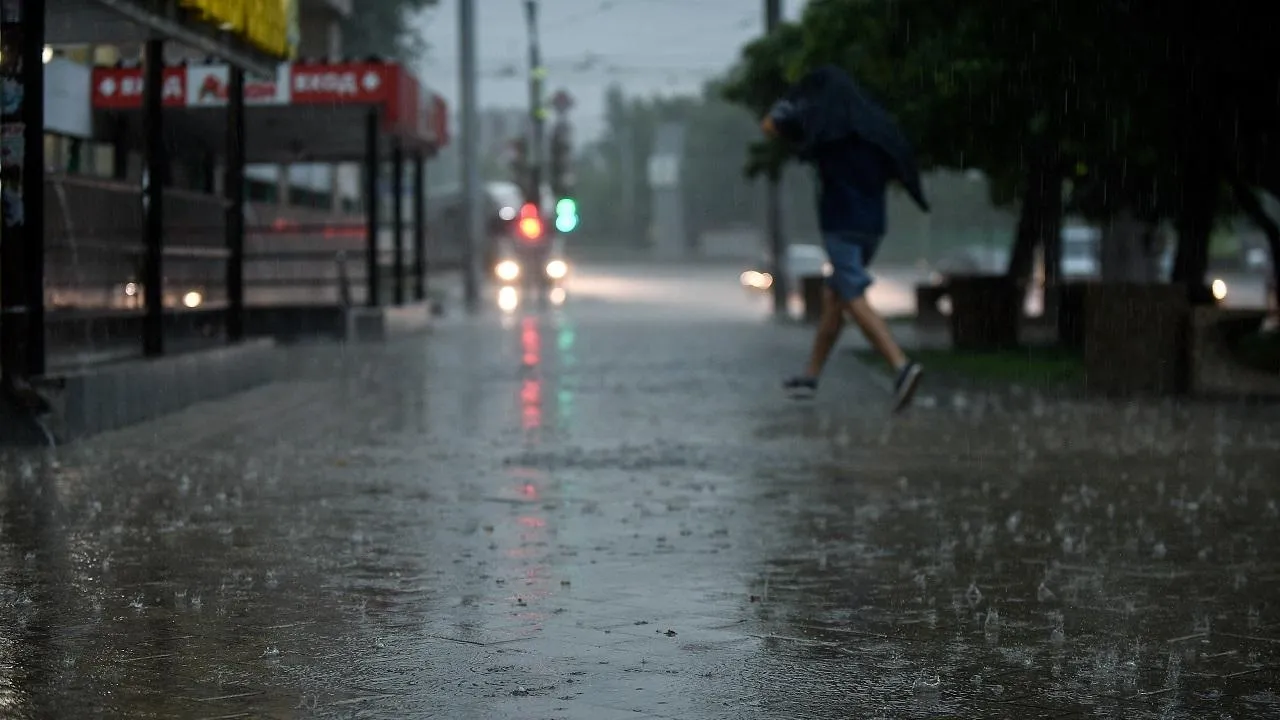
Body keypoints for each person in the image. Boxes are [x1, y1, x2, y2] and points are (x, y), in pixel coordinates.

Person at [762, 94, 923, 411]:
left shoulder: (825, 127)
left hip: (841, 224)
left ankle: (900, 366)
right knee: (835, 298)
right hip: (873, 225)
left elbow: (770, 126)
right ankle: (811, 376)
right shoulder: (872, 129)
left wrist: (787, 110)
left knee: (851, 293)